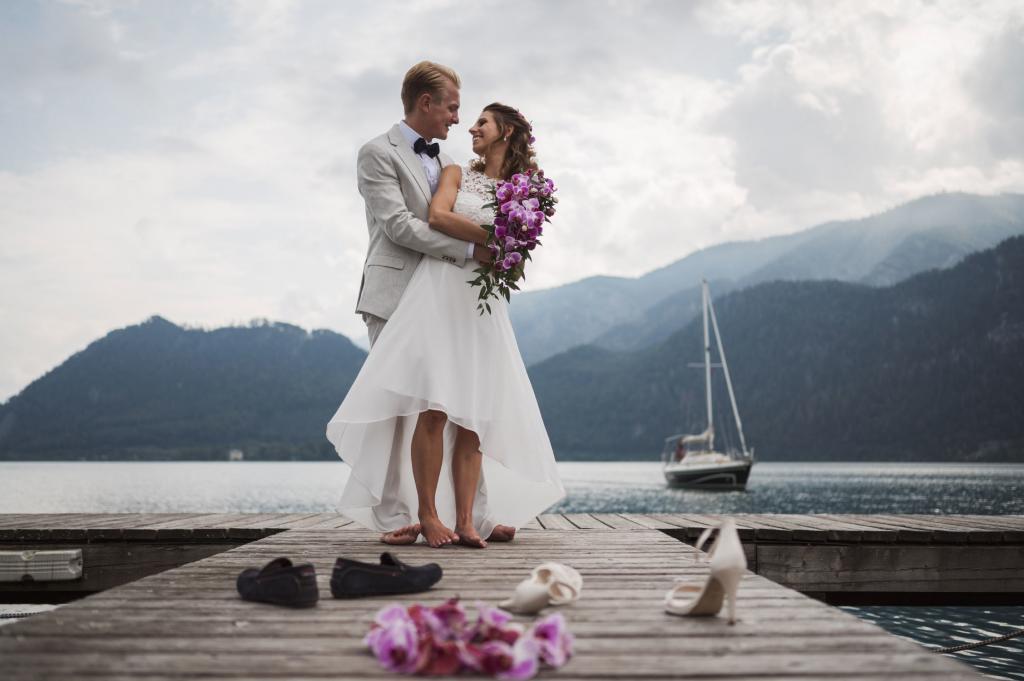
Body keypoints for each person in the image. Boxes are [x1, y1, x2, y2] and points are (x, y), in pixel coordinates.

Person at [326, 64, 564, 548]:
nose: (457, 118)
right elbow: (398, 225)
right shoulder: (377, 153)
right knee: (401, 409)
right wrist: (480, 247)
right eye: (453, 106)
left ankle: (472, 512)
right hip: (398, 293)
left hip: (452, 294)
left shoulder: (452, 161)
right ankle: (398, 515)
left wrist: (500, 247)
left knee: (461, 403)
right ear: (426, 102)